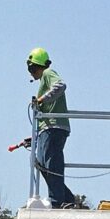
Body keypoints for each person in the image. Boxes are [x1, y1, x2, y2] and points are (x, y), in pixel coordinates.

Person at [26, 47, 76, 209]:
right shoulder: (44, 80)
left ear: (36, 66)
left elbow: (60, 86)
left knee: (51, 163)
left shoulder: (48, 73)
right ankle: (66, 197)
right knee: (40, 162)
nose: (30, 72)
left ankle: (57, 200)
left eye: (31, 68)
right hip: (46, 128)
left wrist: (41, 100)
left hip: (54, 126)